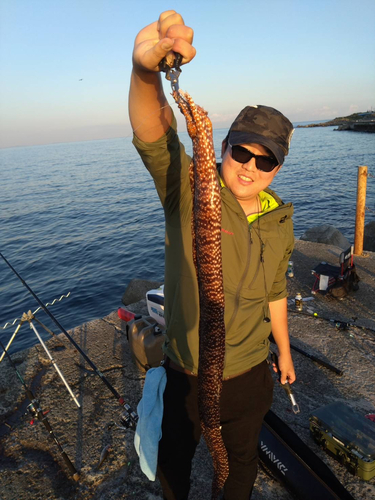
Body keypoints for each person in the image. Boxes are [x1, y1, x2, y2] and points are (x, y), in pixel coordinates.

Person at [129, 10, 296, 500]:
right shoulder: (187, 190)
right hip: (188, 373)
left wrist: (283, 353)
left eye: (266, 160)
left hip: (249, 375)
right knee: (176, 465)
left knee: (239, 464)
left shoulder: (279, 220)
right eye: (241, 152)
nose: (250, 167)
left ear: (277, 167)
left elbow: (275, 292)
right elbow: (156, 132)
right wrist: (146, 74)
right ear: (221, 147)